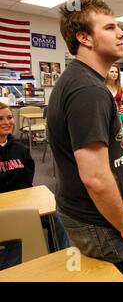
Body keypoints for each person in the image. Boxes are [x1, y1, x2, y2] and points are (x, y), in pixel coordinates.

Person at [47, 0, 123, 281]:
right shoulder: (88, 90)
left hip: (85, 213)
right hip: (98, 222)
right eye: (110, 27)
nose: (122, 33)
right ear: (84, 37)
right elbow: (96, 178)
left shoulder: (77, 80)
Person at [0, 102, 70, 270]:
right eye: (0, 119)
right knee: (18, 234)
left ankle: (64, 262)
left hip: (23, 204)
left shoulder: (21, 150)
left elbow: (27, 181)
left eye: (9, 118)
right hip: (2, 210)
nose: (7, 122)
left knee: (56, 217)